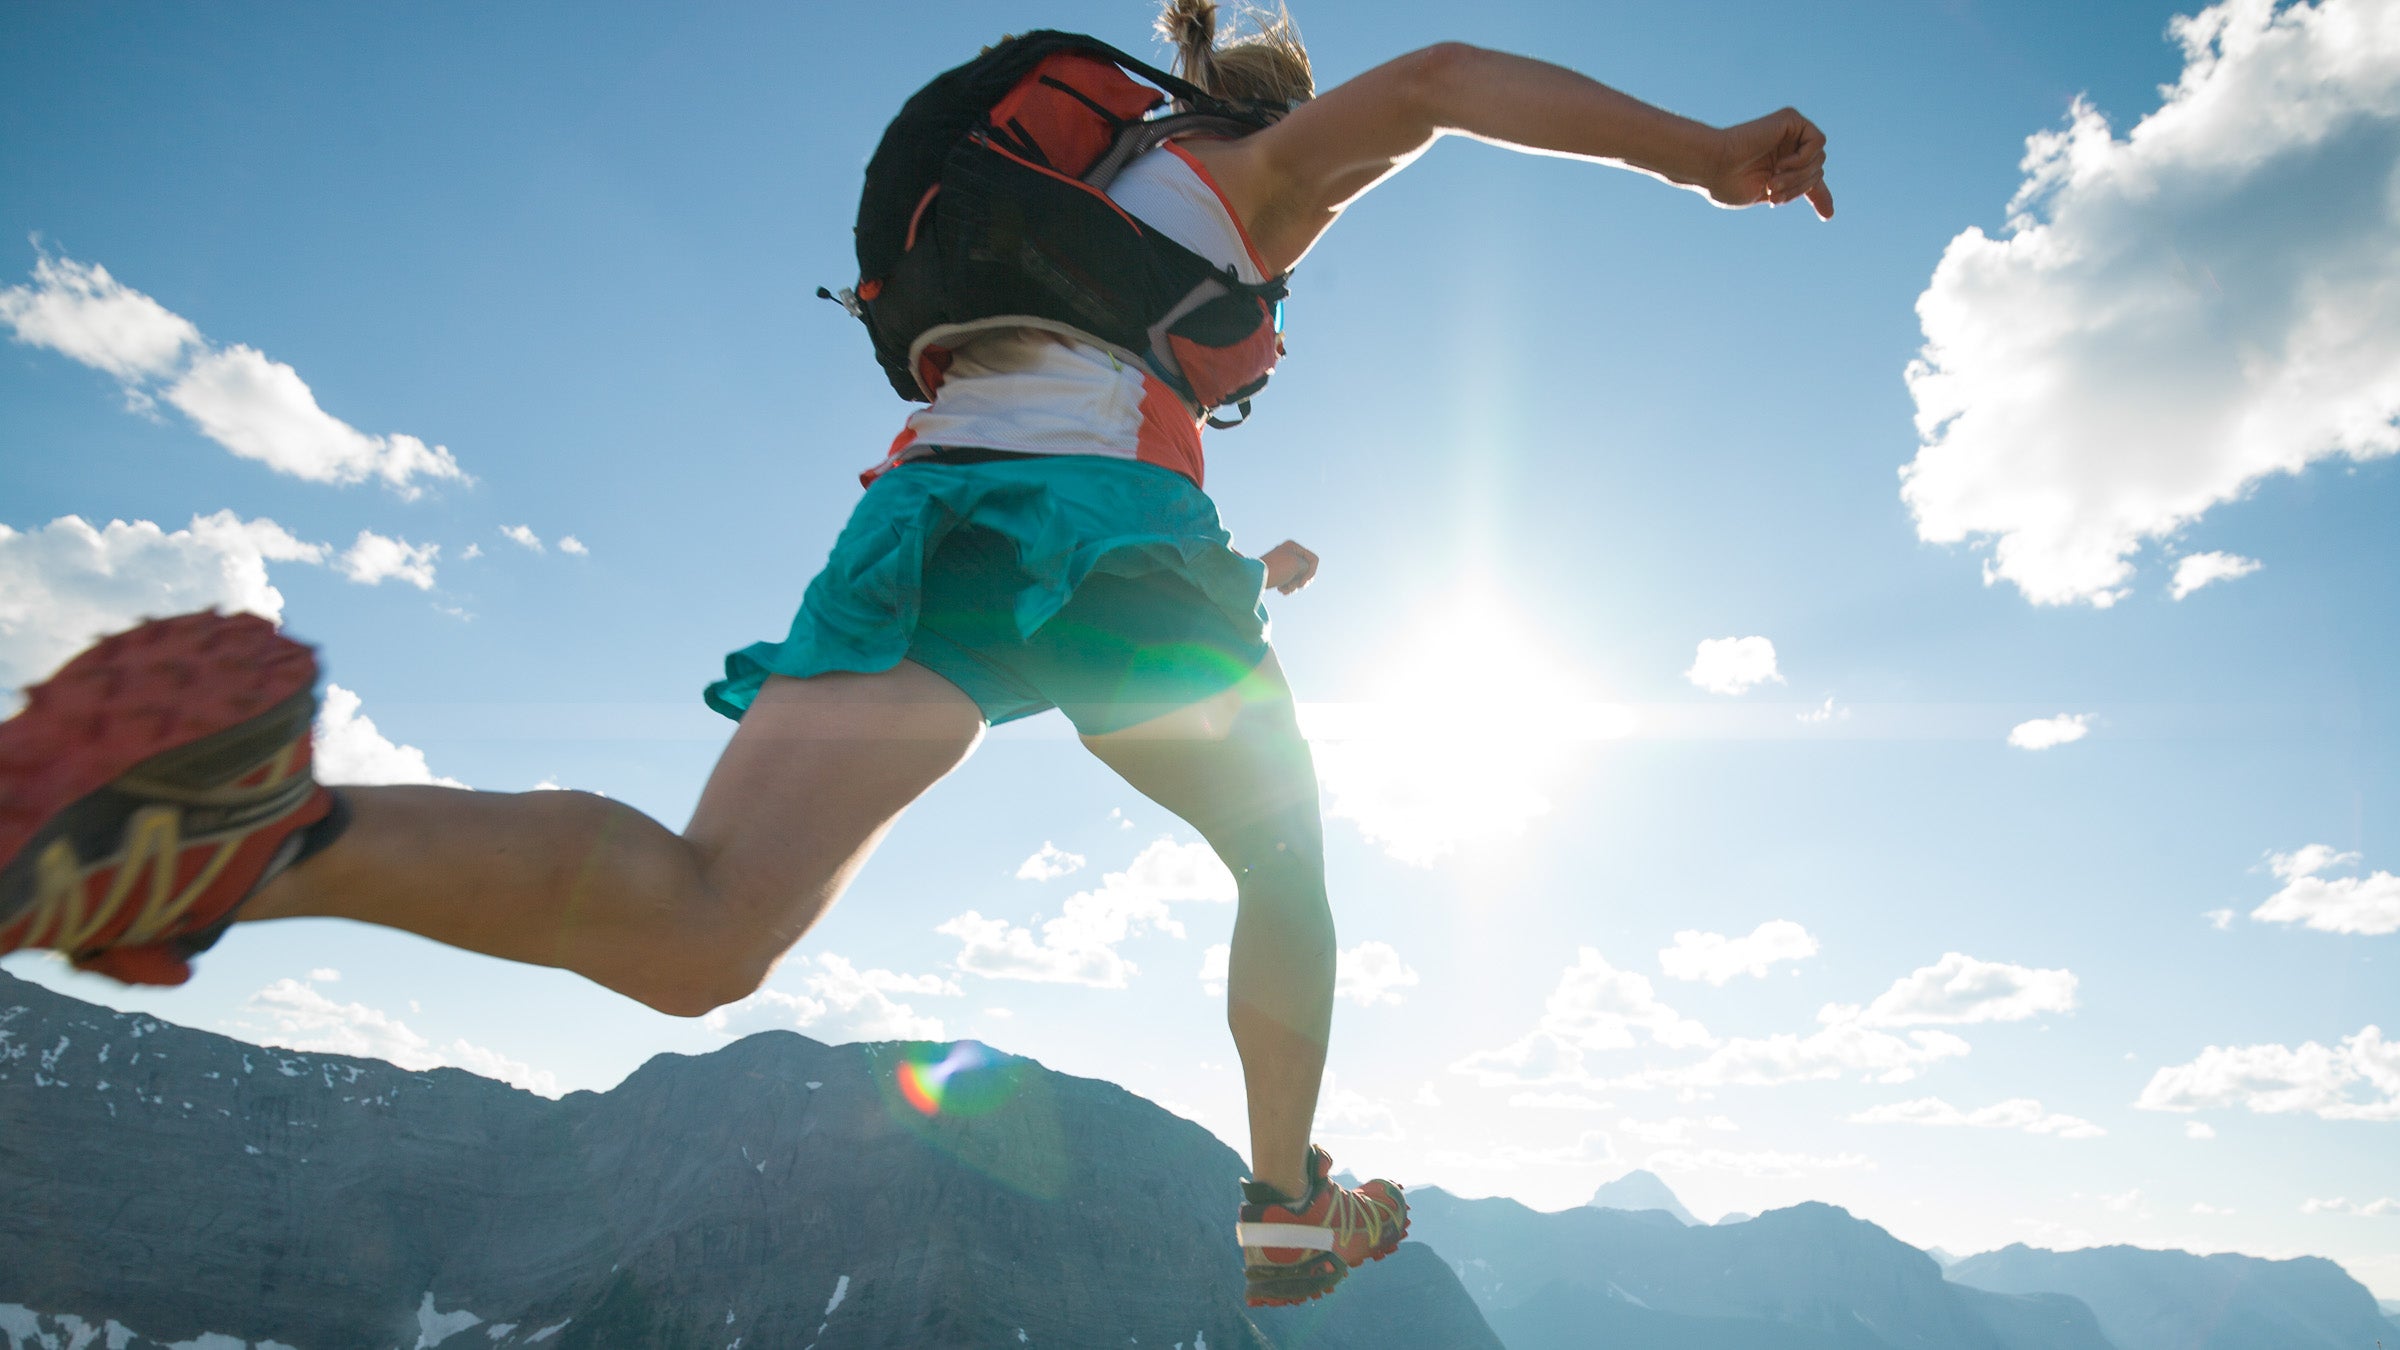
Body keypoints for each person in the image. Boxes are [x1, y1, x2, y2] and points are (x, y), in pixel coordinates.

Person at [0, 0, 1830, 1308]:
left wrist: (1232, 569)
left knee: (706, 919)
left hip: (930, 524)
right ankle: (1284, 1200)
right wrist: (1705, 156)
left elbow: (1071, 438)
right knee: (1285, 863)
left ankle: (251, 826)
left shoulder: (1061, 195)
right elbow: (1429, 83)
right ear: (1262, 116)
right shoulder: (1256, 176)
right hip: (1102, 541)